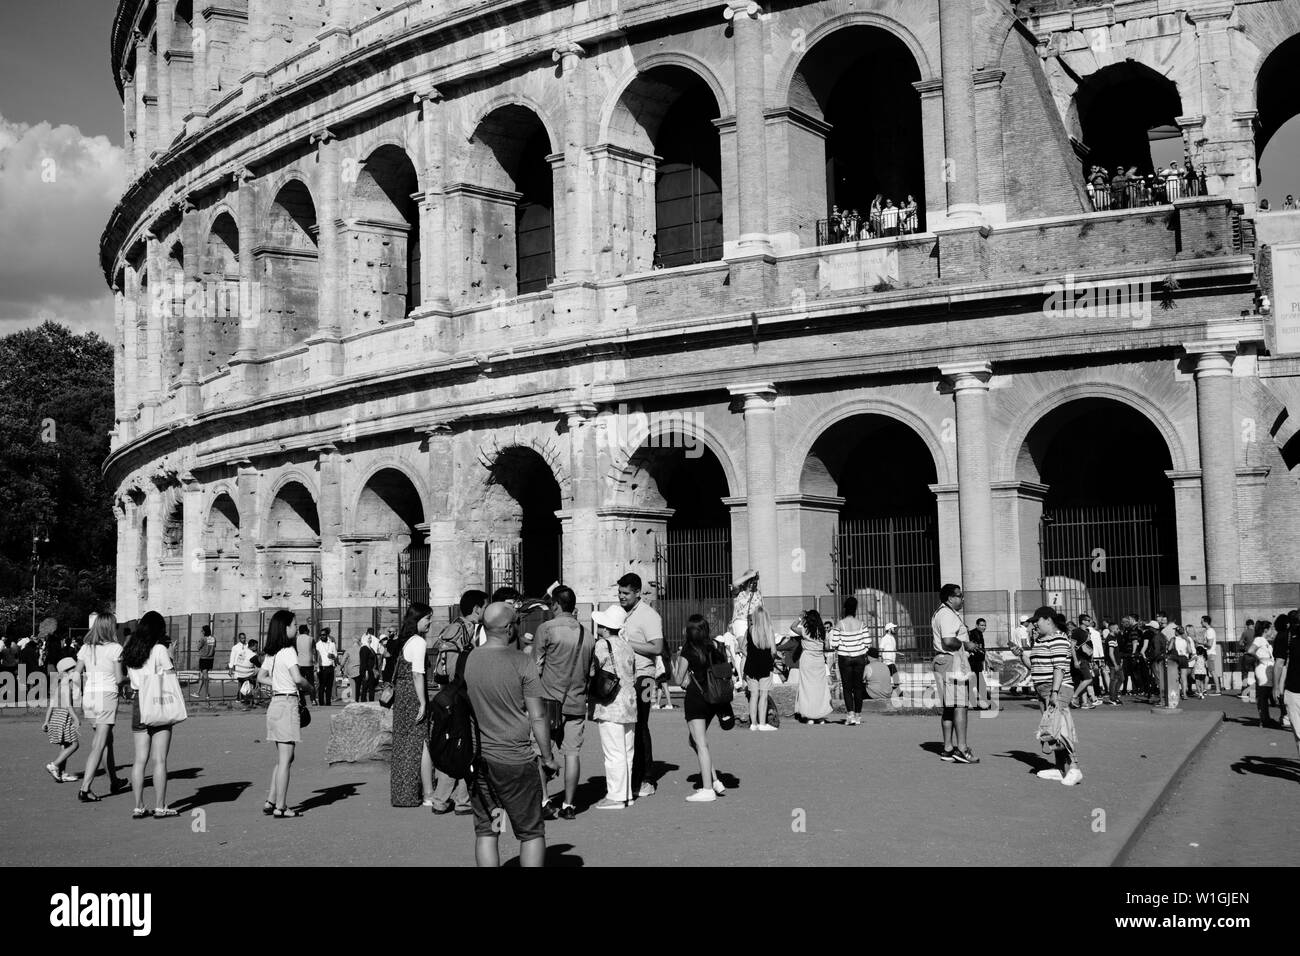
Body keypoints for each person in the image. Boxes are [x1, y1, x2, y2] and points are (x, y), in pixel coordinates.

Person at [463, 602, 557, 867]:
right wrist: (548, 756)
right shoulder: (522, 662)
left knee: (489, 828)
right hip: (514, 760)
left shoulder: (469, 659)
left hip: (480, 759)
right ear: (507, 628)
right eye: (515, 621)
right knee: (530, 831)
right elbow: (538, 716)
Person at [534, 585, 593, 819]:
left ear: (556, 605)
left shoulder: (546, 629)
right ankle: (569, 805)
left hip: (547, 701)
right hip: (576, 702)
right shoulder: (587, 635)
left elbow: (536, 666)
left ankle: (544, 801)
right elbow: (590, 671)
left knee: (540, 751)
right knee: (572, 754)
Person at [429, 589, 487, 815]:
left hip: (452, 696)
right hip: (459, 697)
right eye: (484, 606)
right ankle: (459, 800)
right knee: (465, 744)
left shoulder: (456, 627)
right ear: (476, 609)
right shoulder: (464, 629)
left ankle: (443, 799)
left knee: (455, 744)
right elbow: (455, 668)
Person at [123, 612, 180, 819]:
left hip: (139, 702)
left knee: (139, 759)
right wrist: (171, 654)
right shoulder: (159, 649)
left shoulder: (130, 649)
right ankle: (160, 805)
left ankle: (138, 805)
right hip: (157, 702)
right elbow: (171, 676)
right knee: (160, 759)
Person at [258, 609, 311, 818]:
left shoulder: (272, 653)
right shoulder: (288, 651)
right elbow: (298, 679)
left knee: (284, 758)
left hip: (275, 704)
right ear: (285, 627)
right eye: (294, 624)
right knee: (286, 757)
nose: (296, 628)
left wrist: (278, 684)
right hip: (287, 704)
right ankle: (281, 806)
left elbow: (261, 677)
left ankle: (271, 800)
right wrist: (310, 688)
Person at [678, 614, 735, 802]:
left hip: (696, 697)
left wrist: (676, 660)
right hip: (714, 698)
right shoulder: (716, 646)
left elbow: (678, 679)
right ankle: (715, 779)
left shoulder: (689, 649)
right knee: (694, 740)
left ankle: (707, 789)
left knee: (699, 742)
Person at [617, 572, 664, 799]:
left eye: (626, 593)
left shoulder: (649, 615)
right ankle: (632, 776)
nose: (621, 597)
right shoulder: (622, 614)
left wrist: (627, 642)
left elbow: (656, 647)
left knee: (641, 724)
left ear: (637, 593)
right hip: (626, 677)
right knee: (628, 726)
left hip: (644, 677)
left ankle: (647, 778)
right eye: (619, 593)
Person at [1024, 607, 1082, 785]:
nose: (1034, 624)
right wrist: (1020, 655)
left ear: (1048, 620)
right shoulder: (1041, 640)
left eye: (1037, 621)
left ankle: (1074, 767)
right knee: (1052, 731)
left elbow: (1059, 668)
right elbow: (1033, 666)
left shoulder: (1058, 639)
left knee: (1061, 728)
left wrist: (1055, 692)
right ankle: (1058, 768)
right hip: (1043, 689)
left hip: (1056, 688)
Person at [73, 612, 127, 801]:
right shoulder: (115, 648)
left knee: (106, 742)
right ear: (110, 627)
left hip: (90, 696)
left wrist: (81, 692)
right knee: (98, 744)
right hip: (106, 695)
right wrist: (130, 680)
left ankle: (114, 780)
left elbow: (75, 674)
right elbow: (119, 679)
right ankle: (85, 788)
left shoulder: (86, 647)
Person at [589, 604, 637, 810]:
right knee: (627, 751)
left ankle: (616, 797)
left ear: (606, 627)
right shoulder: (627, 645)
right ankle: (626, 793)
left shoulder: (602, 645)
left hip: (610, 704)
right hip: (629, 701)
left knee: (613, 753)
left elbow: (592, 670)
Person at [389, 603, 434, 808]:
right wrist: (423, 702)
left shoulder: (405, 641)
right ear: (417, 619)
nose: (430, 622)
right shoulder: (418, 642)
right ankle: (428, 793)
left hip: (402, 695)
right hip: (413, 695)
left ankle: (404, 792)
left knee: (404, 744)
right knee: (422, 742)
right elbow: (417, 673)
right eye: (427, 618)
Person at [932, 583, 979, 763]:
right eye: (959, 595)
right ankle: (962, 749)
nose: (962, 599)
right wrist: (968, 645)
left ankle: (948, 748)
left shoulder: (942, 613)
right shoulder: (947, 614)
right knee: (960, 706)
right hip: (952, 662)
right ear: (950, 598)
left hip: (945, 661)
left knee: (950, 708)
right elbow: (949, 640)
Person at [830, 596, 870, 725]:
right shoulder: (861, 624)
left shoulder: (840, 624)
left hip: (844, 658)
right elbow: (868, 642)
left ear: (845, 608)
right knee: (858, 687)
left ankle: (850, 715)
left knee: (847, 688)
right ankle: (858, 716)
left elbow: (834, 643)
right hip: (859, 658)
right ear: (855, 609)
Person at [43, 657, 81, 784]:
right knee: (75, 745)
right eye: (74, 670)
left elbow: (51, 705)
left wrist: (46, 721)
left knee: (65, 746)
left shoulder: (60, 685)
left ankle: (62, 773)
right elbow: (69, 706)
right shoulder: (66, 686)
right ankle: (54, 765)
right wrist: (76, 719)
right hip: (64, 718)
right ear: (66, 672)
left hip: (56, 718)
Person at [790, 609, 832, 723]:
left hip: (807, 660)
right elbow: (827, 647)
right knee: (820, 688)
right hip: (819, 661)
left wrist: (800, 618)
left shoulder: (805, 630)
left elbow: (792, 627)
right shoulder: (822, 632)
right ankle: (820, 715)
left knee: (807, 687)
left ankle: (809, 715)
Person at [744, 606, 777, 731]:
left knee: (753, 695)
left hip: (751, 665)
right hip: (765, 665)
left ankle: (753, 724)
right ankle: (762, 723)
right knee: (763, 694)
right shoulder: (769, 630)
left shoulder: (750, 630)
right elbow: (774, 651)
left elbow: (742, 647)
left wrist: (750, 656)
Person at [1251, 619, 1279, 728]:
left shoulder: (1264, 641)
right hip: (1263, 669)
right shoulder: (1259, 639)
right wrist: (1260, 659)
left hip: (1266, 669)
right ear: (1265, 630)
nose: (1272, 631)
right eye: (1271, 628)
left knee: (1265, 695)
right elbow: (1250, 650)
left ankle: (1265, 719)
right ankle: (1264, 720)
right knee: (1263, 695)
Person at [228, 633, 259, 707]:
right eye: (242, 638)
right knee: (256, 678)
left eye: (244, 638)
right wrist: (230, 668)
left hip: (239, 671)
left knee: (241, 684)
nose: (244, 639)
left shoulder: (244, 648)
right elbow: (259, 665)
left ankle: (240, 698)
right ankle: (252, 699)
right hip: (245, 672)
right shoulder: (236, 648)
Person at [314, 628, 338, 706]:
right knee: (321, 686)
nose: (322, 636)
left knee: (329, 686)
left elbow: (336, 655)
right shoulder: (318, 644)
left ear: (327, 635)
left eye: (323, 635)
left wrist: (333, 656)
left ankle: (328, 702)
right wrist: (316, 667)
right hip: (322, 668)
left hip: (330, 667)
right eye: (320, 635)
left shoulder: (332, 644)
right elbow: (315, 656)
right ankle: (321, 703)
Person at [968, 617, 988, 709]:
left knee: (974, 684)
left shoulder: (979, 634)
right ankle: (988, 703)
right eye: (981, 625)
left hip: (977, 662)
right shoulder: (973, 634)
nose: (983, 627)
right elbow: (972, 647)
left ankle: (976, 704)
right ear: (977, 625)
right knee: (980, 683)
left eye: (984, 625)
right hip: (973, 662)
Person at [295, 624, 317, 700]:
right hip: (309, 663)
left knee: (301, 683)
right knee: (310, 682)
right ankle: (312, 699)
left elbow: (295, 652)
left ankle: (302, 699)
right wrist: (315, 662)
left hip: (300, 664)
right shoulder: (311, 638)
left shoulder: (296, 639)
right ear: (306, 631)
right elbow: (314, 651)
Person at [194, 624, 216, 700]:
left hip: (204, 658)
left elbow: (198, 647)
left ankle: (207, 693)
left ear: (204, 631)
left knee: (205, 676)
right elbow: (213, 647)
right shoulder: (213, 638)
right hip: (211, 659)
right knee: (203, 676)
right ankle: (197, 692)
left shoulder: (203, 639)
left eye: (202, 630)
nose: (201, 631)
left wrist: (197, 643)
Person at [1201, 615, 1221, 696]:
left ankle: (1218, 689)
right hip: (1208, 653)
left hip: (1210, 653)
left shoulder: (1210, 631)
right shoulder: (1208, 631)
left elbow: (1209, 644)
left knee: (1212, 671)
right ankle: (1205, 689)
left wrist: (1201, 643)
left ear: (1205, 622)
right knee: (1207, 672)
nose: (1200, 622)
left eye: (1202, 621)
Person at [880, 622, 899, 693]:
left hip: (891, 661)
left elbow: (893, 649)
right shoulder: (884, 638)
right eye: (893, 628)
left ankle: (888, 691)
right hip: (887, 661)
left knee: (888, 678)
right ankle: (897, 691)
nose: (894, 629)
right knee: (895, 677)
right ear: (889, 629)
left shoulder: (892, 638)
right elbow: (881, 649)